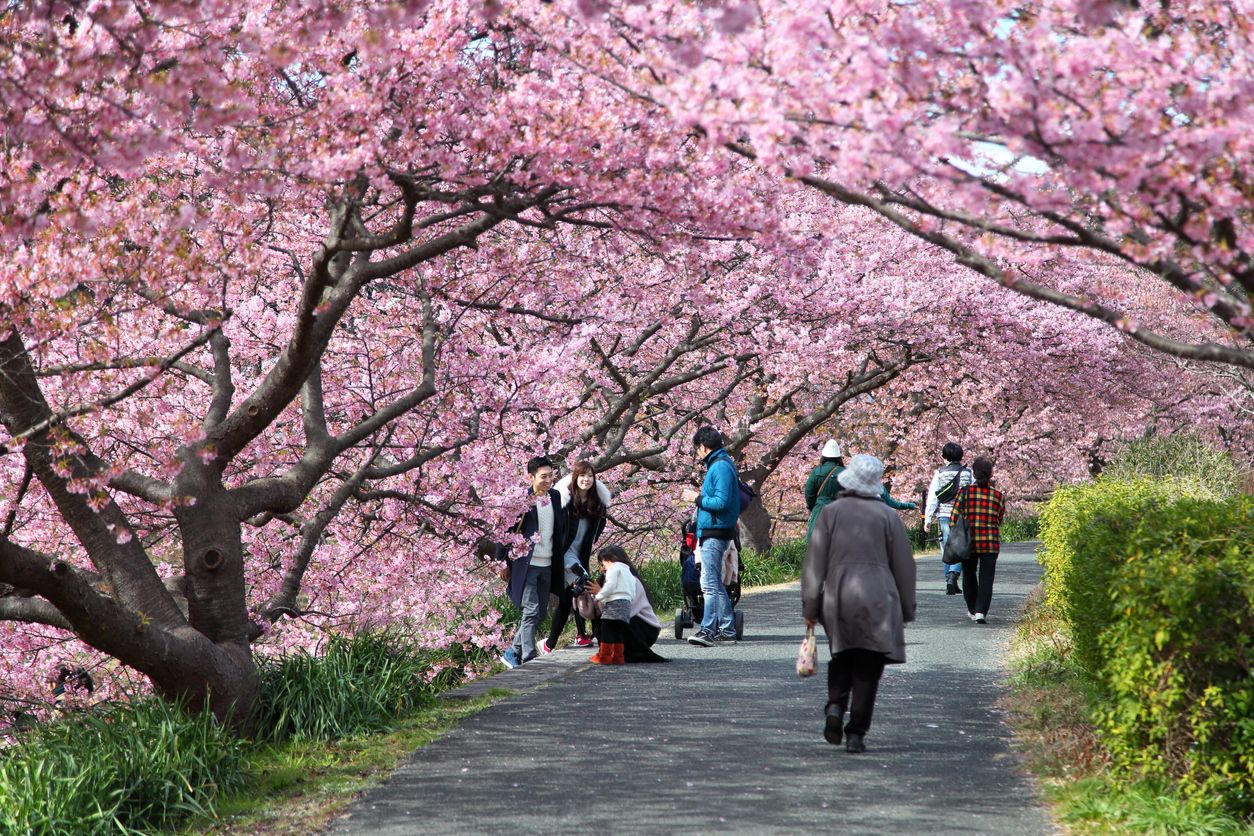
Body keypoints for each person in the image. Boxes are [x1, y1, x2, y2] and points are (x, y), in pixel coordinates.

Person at [802, 454, 916, 754]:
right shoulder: (888, 517)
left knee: (842, 654)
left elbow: (814, 563)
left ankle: (836, 707)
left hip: (837, 595)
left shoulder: (831, 513)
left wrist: (810, 607)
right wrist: (907, 607)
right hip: (879, 596)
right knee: (869, 664)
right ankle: (856, 734)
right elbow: (904, 566)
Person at [495, 455, 567, 668]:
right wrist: (500, 563)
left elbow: (560, 528)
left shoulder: (555, 496)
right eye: (543, 476)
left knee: (540, 612)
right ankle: (528, 658)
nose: (548, 480)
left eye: (551, 476)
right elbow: (503, 532)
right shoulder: (522, 501)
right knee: (531, 610)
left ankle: (511, 652)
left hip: (547, 564)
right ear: (531, 477)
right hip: (525, 565)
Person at [540, 461, 611, 653]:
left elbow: (600, 525)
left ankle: (571, 638)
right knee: (578, 588)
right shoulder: (565, 500)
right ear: (575, 478)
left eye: (589, 476)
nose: (586, 480)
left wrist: (592, 541)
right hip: (565, 555)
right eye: (582, 476)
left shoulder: (598, 502)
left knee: (573, 594)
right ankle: (552, 643)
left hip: (581, 553)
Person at [680, 426, 741, 647]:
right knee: (713, 582)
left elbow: (721, 502)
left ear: (703, 447)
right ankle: (727, 630)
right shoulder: (720, 464)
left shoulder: (720, 467)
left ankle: (708, 630)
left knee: (708, 583)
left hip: (716, 531)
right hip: (714, 530)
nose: (697, 453)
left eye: (697, 449)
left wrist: (696, 498)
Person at [950, 457, 1006, 624]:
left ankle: (973, 609)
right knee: (986, 578)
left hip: (969, 542)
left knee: (969, 574)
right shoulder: (998, 496)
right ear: (991, 474)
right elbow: (999, 520)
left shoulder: (965, 492)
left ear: (973, 473)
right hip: (990, 542)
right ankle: (981, 611)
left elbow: (954, 518)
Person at [923, 441, 973, 596]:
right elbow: (972, 495)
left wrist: (928, 518)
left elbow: (932, 497)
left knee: (946, 547)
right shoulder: (968, 473)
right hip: (963, 515)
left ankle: (949, 579)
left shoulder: (940, 473)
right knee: (960, 546)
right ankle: (953, 577)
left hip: (944, 515)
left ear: (944, 456)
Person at [587, 545, 634, 665]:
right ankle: (618, 657)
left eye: (603, 563)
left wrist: (599, 596)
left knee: (607, 630)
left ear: (608, 559)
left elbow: (610, 585)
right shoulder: (627, 570)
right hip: (626, 604)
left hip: (614, 603)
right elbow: (633, 588)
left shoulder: (613, 568)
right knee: (618, 631)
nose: (603, 567)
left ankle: (604, 657)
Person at [804, 439, 844, 539]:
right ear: (838, 457)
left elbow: (809, 492)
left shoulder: (817, 471)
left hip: (820, 510)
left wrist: (811, 506)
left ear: (823, 456)